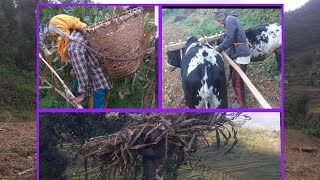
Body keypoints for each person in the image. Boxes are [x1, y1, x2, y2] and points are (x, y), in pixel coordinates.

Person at [48, 14, 112, 108]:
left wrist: (82, 94)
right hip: (102, 73)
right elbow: (84, 59)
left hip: (96, 80)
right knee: (102, 102)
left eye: (57, 35)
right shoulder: (79, 32)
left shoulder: (74, 46)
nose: (58, 38)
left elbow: (82, 72)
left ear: (62, 30)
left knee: (97, 109)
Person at [213, 9, 251, 108]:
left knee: (237, 80)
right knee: (236, 78)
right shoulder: (231, 18)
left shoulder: (229, 19)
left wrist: (219, 48)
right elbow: (230, 37)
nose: (219, 22)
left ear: (221, 16)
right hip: (239, 51)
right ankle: (236, 94)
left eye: (218, 19)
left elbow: (229, 39)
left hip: (241, 54)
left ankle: (241, 103)